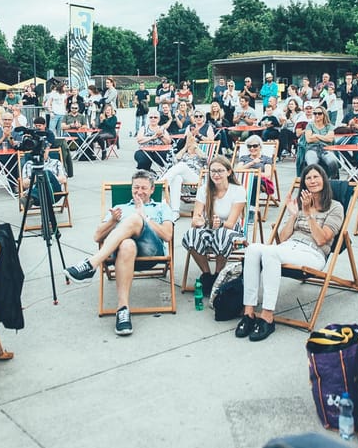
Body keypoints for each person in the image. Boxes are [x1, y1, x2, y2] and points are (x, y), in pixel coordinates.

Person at [238, 164, 344, 343]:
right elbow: (282, 238)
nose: (312, 181)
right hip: (290, 246)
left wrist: (309, 214)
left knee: (270, 253)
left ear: (324, 180)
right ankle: (248, 313)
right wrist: (294, 215)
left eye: (316, 177)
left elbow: (321, 240)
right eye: (308, 178)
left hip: (313, 253)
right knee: (253, 249)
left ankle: (267, 316)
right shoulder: (300, 205)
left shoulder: (335, 207)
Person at [64, 170, 177, 336]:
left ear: (152, 189)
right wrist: (112, 221)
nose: (139, 191)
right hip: (123, 255)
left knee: (135, 219)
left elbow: (167, 235)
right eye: (136, 187)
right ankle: (123, 309)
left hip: (151, 251)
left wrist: (144, 217)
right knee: (126, 245)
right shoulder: (120, 208)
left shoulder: (162, 207)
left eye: (144, 188)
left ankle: (92, 263)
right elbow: (97, 237)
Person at [181, 155, 246, 285]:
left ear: (229, 172)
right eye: (213, 171)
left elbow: (230, 223)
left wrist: (220, 224)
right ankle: (207, 275)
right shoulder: (204, 190)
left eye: (220, 171)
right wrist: (199, 222)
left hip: (231, 231)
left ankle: (218, 274)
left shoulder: (238, 191)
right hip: (209, 229)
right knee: (191, 235)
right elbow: (195, 219)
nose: (216, 174)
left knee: (222, 234)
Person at [160, 129, 208, 213]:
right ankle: (175, 211)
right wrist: (186, 146)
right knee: (177, 178)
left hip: (197, 178)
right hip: (184, 178)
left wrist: (195, 146)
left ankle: (160, 183)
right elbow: (175, 160)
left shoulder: (200, 154)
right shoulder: (184, 154)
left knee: (182, 165)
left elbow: (205, 159)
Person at [298, 104, 340, 179]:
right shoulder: (310, 125)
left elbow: (330, 139)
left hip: (326, 149)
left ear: (324, 115)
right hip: (312, 148)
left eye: (319, 113)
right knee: (312, 165)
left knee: (333, 161)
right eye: (315, 113)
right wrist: (324, 137)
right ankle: (314, 181)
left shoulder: (329, 126)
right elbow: (309, 139)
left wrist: (316, 136)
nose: (317, 115)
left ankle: (335, 181)